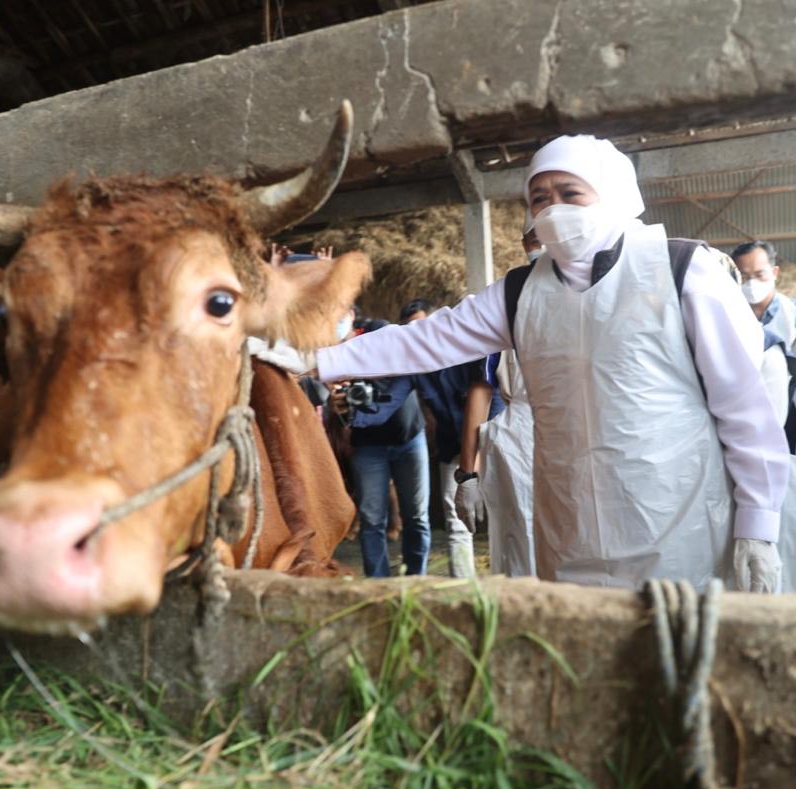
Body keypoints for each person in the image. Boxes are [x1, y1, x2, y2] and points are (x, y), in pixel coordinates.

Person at [314, 134, 789, 594]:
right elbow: (424, 341)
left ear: (612, 194)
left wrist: (757, 521)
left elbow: (742, 406)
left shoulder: (681, 269)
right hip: (571, 522)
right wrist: (317, 358)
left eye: (570, 193)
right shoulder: (521, 292)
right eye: (540, 197)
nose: (553, 208)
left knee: (676, 652)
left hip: (679, 514)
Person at [457, 223, 541, 577]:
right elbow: (480, 390)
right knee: (524, 545)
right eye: (536, 237)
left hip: (582, 435)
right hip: (520, 442)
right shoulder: (504, 304)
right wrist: (467, 475)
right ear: (523, 242)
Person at [398, 298, 504, 578]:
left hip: (492, 443)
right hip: (451, 448)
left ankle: (512, 583)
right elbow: (392, 398)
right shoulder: (415, 366)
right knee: (457, 519)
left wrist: (477, 457)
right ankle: (463, 588)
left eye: (424, 326)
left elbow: (491, 401)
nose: (419, 334)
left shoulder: (467, 350)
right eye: (411, 329)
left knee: (505, 512)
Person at [329, 319, 432, 578]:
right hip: (368, 448)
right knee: (372, 520)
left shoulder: (393, 348)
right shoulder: (342, 364)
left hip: (409, 440)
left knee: (417, 517)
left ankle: (415, 582)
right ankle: (379, 585)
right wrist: (340, 404)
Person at [732, 240, 796, 437]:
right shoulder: (730, 316)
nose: (752, 283)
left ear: (775, 273)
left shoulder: (791, 313)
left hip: (787, 403)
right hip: (743, 404)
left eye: (759, 274)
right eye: (744, 276)